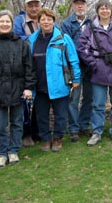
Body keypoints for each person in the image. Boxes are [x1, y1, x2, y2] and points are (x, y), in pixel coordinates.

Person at [0, 10, 36, 169]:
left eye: (8, 22)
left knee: (17, 123)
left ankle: (13, 151)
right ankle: (2, 154)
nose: (5, 24)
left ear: (12, 24)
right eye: (1, 21)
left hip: (18, 90)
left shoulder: (21, 44)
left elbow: (29, 67)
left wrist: (28, 87)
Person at [78, 0, 112, 146]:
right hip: (98, 71)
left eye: (107, 8)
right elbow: (82, 48)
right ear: (97, 11)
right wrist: (93, 63)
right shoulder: (90, 28)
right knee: (98, 104)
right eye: (101, 8)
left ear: (111, 10)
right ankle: (97, 132)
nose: (104, 11)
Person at [28, 8, 81, 152]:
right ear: (38, 22)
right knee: (41, 115)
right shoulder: (31, 40)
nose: (46, 22)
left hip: (59, 84)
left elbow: (73, 60)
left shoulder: (63, 38)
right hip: (39, 85)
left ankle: (57, 139)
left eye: (49, 19)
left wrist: (76, 78)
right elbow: (27, 64)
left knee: (61, 115)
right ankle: (45, 139)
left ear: (53, 21)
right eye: (43, 19)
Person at [61, 0, 93, 142]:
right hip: (75, 65)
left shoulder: (92, 22)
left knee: (89, 97)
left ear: (86, 6)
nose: (80, 7)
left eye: (82, 4)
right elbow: (65, 44)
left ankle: (84, 125)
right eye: (77, 4)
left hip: (90, 65)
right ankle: (73, 128)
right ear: (73, 6)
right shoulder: (67, 24)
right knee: (74, 98)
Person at [13, 0, 42, 147]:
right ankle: (26, 133)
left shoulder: (45, 18)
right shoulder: (20, 21)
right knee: (26, 101)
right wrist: (36, 38)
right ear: (26, 7)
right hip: (25, 65)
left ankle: (37, 131)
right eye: (30, 5)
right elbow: (17, 37)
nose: (34, 8)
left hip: (42, 66)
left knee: (40, 100)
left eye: (36, 5)